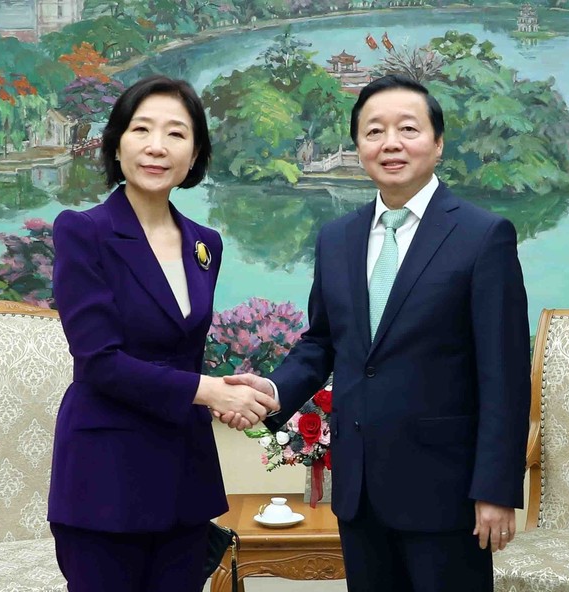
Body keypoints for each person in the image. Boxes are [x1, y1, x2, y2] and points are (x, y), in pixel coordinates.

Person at [223, 74, 531, 591]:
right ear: (359, 146)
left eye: (407, 128)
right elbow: (322, 341)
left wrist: (496, 489)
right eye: (374, 131)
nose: (390, 143)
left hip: (447, 491)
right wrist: (273, 391)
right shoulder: (337, 238)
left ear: (437, 143)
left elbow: (504, 373)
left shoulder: (483, 235)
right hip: (360, 489)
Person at [47, 75, 278, 592]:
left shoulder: (206, 244)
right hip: (104, 476)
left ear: (195, 153)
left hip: (183, 475)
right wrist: (207, 391)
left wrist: (226, 387)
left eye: (176, 133)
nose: (157, 147)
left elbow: (178, 353)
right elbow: (99, 361)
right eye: (141, 129)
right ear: (117, 143)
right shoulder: (83, 232)